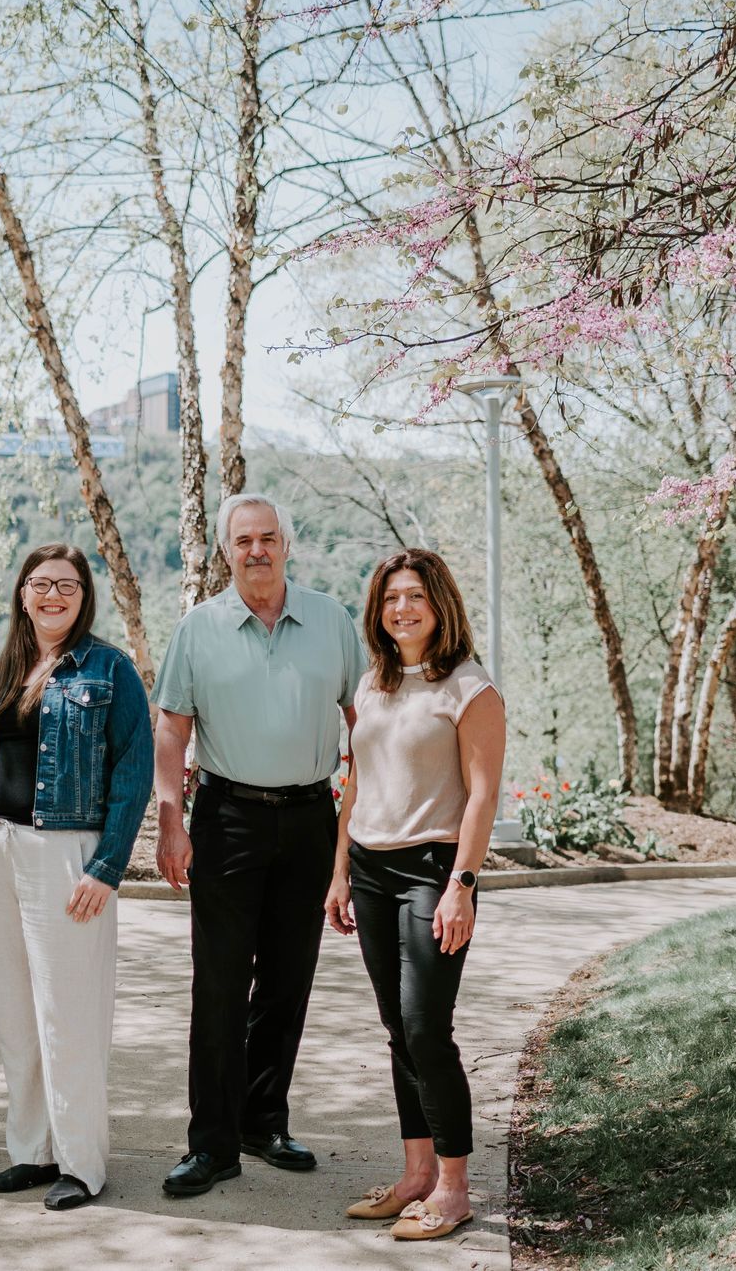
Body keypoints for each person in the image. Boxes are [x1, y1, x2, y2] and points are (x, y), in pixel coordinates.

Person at [152, 492, 369, 1198]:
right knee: (219, 985)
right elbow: (171, 728)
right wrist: (171, 821)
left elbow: (366, 723)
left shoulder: (332, 622)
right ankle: (211, 1144)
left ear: (286, 544)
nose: (257, 550)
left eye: (268, 537)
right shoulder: (199, 628)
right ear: (226, 551)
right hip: (227, 818)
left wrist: (355, 837)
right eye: (243, 540)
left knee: (286, 981)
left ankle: (263, 1121)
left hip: (309, 817)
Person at [0, 543, 153, 1211]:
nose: (52, 595)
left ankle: (81, 1163)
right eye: (41, 583)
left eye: (67, 585)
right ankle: (33, 1151)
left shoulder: (109, 669)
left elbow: (133, 771)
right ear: (23, 593)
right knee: (15, 1016)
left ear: (83, 596)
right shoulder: (2, 670)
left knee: (68, 1015)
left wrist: (107, 866)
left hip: (64, 854)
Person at [324, 548, 505, 1241]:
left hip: (434, 870)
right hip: (370, 869)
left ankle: (455, 1189)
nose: (402, 608)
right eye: (391, 597)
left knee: (427, 1027)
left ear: (440, 606)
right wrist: (340, 872)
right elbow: (357, 785)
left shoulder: (469, 688)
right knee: (398, 1028)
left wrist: (462, 883)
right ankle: (416, 1175)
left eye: (416, 597)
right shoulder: (374, 685)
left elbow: (482, 796)